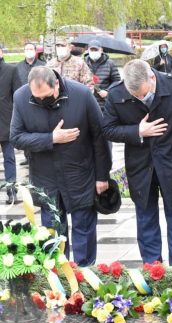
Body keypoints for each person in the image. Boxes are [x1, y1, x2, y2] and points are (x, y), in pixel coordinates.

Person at [102, 59, 172, 265]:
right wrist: (137, 131)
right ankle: (152, 269)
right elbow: (108, 129)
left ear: (151, 77)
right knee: (146, 218)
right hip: (140, 166)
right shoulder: (116, 93)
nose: (140, 98)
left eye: (143, 93)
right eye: (135, 96)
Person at [10, 66, 112, 266]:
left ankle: (85, 275)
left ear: (56, 83)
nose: (41, 100)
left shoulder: (81, 95)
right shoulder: (21, 97)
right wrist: (51, 138)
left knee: (84, 229)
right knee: (54, 234)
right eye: (36, 97)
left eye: (46, 96)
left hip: (80, 174)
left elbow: (100, 138)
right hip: (45, 178)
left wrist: (102, 175)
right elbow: (16, 137)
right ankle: (60, 279)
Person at [0, 46, 18, 204]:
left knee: (9, 158)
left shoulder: (11, 70)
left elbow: (17, 96)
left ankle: (11, 188)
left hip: (6, 121)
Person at [84, 40, 121, 111]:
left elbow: (117, 82)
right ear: (88, 50)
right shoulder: (83, 63)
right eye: (92, 49)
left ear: (101, 50)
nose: (94, 52)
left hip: (104, 103)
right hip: (86, 102)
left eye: (96, 49)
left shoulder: (110, 64)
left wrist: (108, 92)